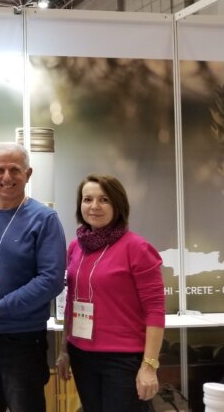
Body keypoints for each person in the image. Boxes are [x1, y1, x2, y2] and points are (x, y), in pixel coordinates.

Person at [0, 141, 66, 412]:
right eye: (0, 170)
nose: (6, 177)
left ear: (28, 174)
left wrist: (0, 308)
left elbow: (51, 280)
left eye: (15, 170)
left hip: (21, 340)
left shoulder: (45, 219)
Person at [56, 174, 164, 412]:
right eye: (87, 199)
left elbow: (155, 310)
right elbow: (71, 303)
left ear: (118, 204)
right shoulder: (75, 247)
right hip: (81, 355)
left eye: (104, 200)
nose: (94, 206)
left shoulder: (137, 248)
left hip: (122, 359)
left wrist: (149, 366)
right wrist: (64, 349)